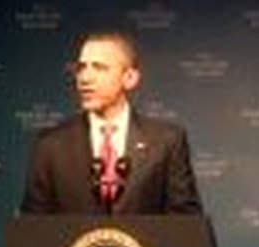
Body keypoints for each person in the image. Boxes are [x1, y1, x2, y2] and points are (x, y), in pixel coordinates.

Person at [21, 32, 202, 215]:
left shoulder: (167, 141)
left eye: (99, 67)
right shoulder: (50, 145)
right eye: (82, 67)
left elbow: (185, 225)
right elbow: (34, 231)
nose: (85, 78)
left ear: (129, 78)